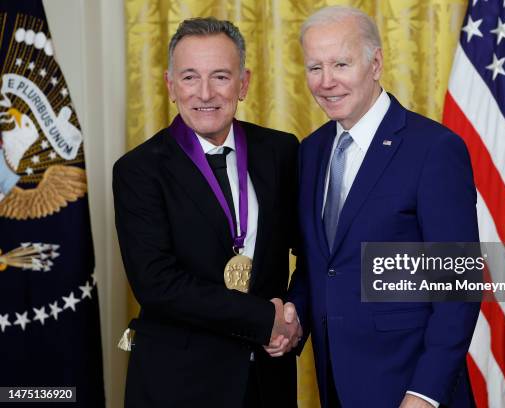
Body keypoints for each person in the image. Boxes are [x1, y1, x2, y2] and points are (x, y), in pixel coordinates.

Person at [278, 6, 480, 408]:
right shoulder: (311, 152)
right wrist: (292, 317)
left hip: (411, 388)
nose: (326, 81)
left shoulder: (434, 149)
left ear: (376, 63)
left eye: (341, 63)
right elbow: (318, 264)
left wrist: (424, 394)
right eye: (314, 67)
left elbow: (458, 287)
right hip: (336, 382)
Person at [113, 17, 300, 408]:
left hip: (269, 379)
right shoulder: (139, 169)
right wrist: (264, 319)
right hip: (179, 385)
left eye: (220, 76)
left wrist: (295, 317)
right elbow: (156, 283)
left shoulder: (280, 152)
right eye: (189, 78)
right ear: (170, 86)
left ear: (243, 83)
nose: (205, 93)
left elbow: (312, 251)